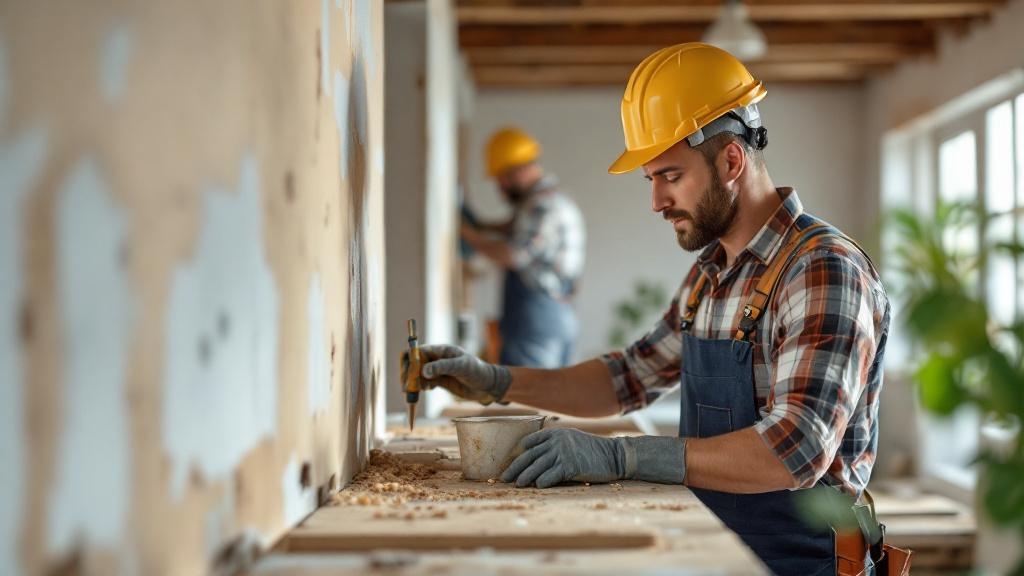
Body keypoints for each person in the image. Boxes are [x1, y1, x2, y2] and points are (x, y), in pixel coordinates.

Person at [407, 44, 892, 575]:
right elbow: (627, 378)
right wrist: (496, 381)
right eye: (651, 179)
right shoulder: (711, 274)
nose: (657, 201)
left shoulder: (821, 269)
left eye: (671, 176)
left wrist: (625, 456)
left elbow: (793, 450)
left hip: (801, 563)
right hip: (717, 551)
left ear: (731, 160)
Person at [460, 127, 585, 368]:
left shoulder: (542, 206)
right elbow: (511, 229)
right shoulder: (545, 202)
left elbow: (514, 254)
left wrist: (465, 233)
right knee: (549, 396)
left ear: (520, 170)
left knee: (530, 395)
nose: (501, 187)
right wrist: (479, 227)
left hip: (538, 318)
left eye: (502, 179)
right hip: (553, 314)